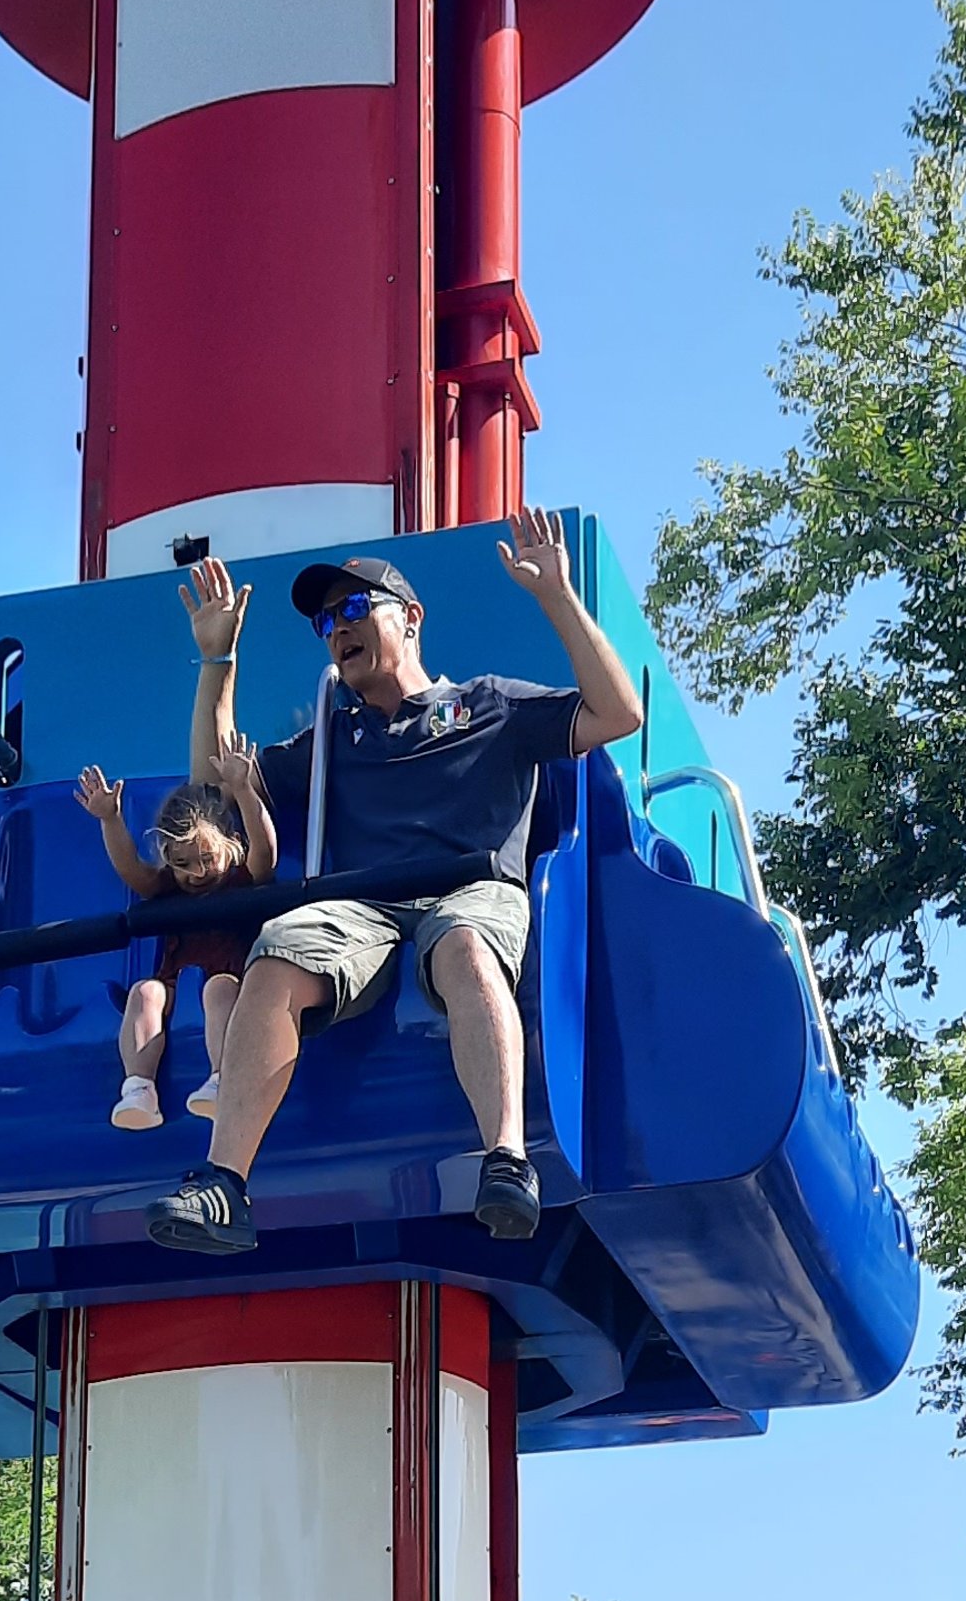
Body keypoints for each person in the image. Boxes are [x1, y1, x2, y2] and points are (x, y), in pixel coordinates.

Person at [146, 511, 642, 1256]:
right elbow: (210, 788)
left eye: (353, 609)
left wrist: (557, 597)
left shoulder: (488, 704)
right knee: (277, 949)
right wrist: (218, 660)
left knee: (468, 949)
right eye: (324, 622)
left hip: (469, 889)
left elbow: (618, 713)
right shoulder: (334, 738)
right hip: (365, 907)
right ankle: (224, 1186)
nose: (336, 629)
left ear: (409, 619)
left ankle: (506, 1162)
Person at [76, 739, 277, 1130]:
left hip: (231, 980)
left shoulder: (239, 880)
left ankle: (222, 1078)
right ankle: (139, 1087)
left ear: (231, 846)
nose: (197, 873)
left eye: (207, 859)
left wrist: (243, 789)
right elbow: (133, 871)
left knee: (218, 989)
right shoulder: (170, 887)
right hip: (177, 983)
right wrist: (110, 820)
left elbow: (265, 853)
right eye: (182, 862)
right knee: (144, 993)